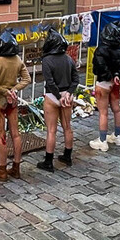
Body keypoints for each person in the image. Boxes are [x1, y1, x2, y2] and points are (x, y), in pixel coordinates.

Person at [0, 30, 31, 178]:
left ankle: (2, 169)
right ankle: (16, 167)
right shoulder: (17, 59)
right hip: (13, 101)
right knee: (16, 134)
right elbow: (27, 79)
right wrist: (14, 90)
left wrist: (4, 91)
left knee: (1, 136)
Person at [88, 22, 120, 151]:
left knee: (103, 113)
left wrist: (109, 75)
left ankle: (102, 140)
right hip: (115, 83)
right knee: (117, 109)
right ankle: (117, 135)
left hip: (103, 83)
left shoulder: (100, 50)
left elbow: (99, 67)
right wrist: (117, 75)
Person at [40, 30, 77, 167]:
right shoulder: (68, 59)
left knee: (51, 130)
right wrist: (68, 93)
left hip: (52, 96)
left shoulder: (46, 61)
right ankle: (67, 156)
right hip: (67, 96)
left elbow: (50, 82)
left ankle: (48, 161)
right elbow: (75, 79)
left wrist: (58, 96)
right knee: (67, 127)